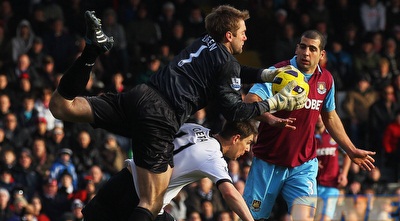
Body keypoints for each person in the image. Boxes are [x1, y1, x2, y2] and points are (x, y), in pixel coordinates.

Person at [49, 7, 307, 221]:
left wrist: (264, 74)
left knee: (62, 107)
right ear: (229, 35)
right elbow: (234, 110)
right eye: (243, 33)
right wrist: (273, 103)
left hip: (140, 96)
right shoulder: (226, 68)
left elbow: (232, 69)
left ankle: (92, 50)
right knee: (152, 202)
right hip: (161, 117)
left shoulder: (205, 42)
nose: (245, 38)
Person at [242, 30, 376, 221]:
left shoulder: (326, 80)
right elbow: (249, 100)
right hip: (268, 160)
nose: (306, 52)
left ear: (321, 54)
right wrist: (271, 118)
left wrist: (351, 150)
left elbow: (330, 117)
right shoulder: (280, 71)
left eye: (312, 49)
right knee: (252, 218)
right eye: (302, 46)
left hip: (303, 164)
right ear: (296, 48)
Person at [82, 120, 258, 221]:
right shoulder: (215, 158)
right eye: (248, 143)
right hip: (142, 200)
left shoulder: (192, 127)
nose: (248, 150)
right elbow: (230, 194)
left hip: (120, 180)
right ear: (236, 138)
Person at [314, 114, 351, 221]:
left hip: (331, 184)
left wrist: (344, 174)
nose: (319, 118)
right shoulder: (308, 136)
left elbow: (348, 154)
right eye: (317, 115)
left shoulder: (333, 135)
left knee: (325, 218)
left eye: (322, 115)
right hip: (313, 184)